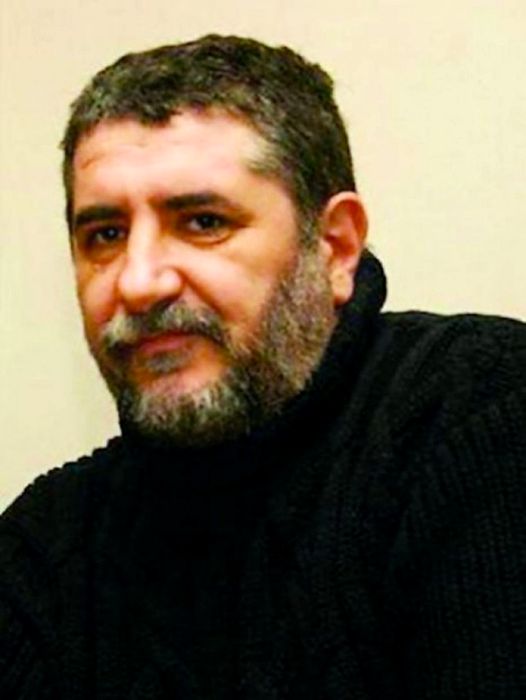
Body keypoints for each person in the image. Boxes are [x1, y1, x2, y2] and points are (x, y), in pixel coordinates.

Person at [1, 34, 525, 699]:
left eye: (202, 222)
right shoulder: (46, 547)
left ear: (334, 246)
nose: (138, 283)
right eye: (105, 235)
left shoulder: (479, 414)